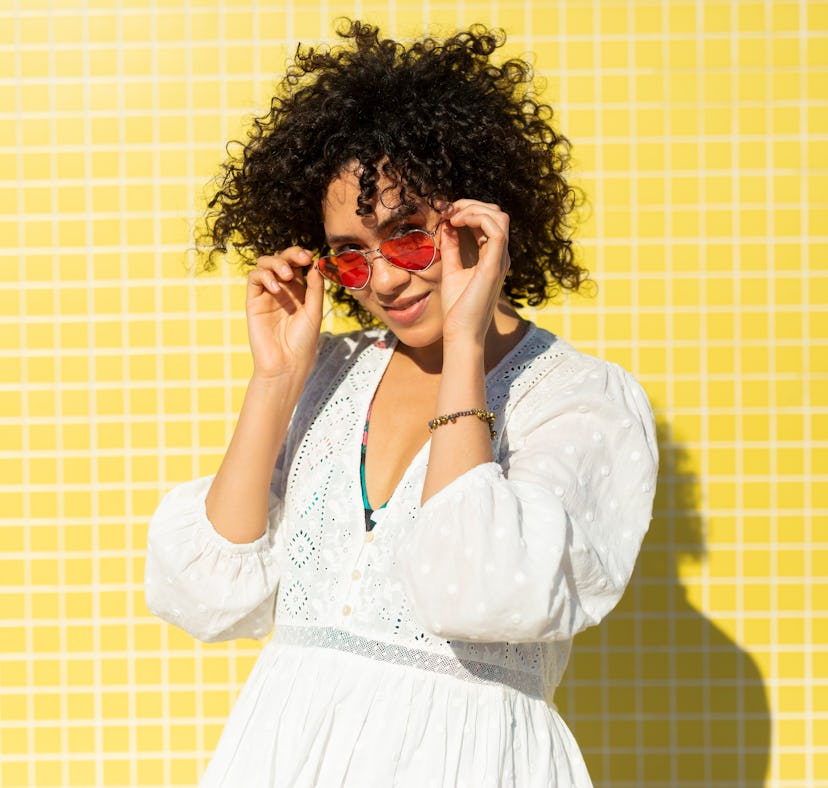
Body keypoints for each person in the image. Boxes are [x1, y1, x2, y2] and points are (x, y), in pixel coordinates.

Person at [145, 20, 658, 787]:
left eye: (410, 237)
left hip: (466, 762)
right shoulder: (328, 374)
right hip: (285, 756)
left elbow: (479, 589)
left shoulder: (581, 400)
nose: (382, 280)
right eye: (351, 255)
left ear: (480, 217)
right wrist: (276, 380)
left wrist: (464, 343)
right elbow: (206, 597)